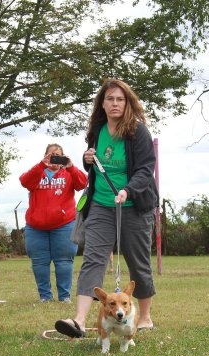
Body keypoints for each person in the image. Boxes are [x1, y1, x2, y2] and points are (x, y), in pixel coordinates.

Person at [55, 78, 158, 337]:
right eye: (110, 99)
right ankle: (78, 320)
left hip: (134, 205)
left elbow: (146, 170)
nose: (115, 103)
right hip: (101, 204)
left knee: (139, 263)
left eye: (120, 99)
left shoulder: (138, 132)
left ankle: (144, 317)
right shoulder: (97, 129)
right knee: (93, 259)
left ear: (127, 103)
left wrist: (127, 190)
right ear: (102, 103)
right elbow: (95, 161)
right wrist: (87, 159)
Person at [20, 144, 87, 303]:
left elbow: (83, 183)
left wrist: (71, 167)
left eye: (58, 155)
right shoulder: (37, 172)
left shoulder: (69, 173)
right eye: (51, 155)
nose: (54, 158)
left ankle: (64, 297)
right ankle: (45, 297)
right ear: (45, 156)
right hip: (36, 227)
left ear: (64, 157)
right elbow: (24, 181)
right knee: (39, 261)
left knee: (64, 260)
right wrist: (42, 165)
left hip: (64, 225)